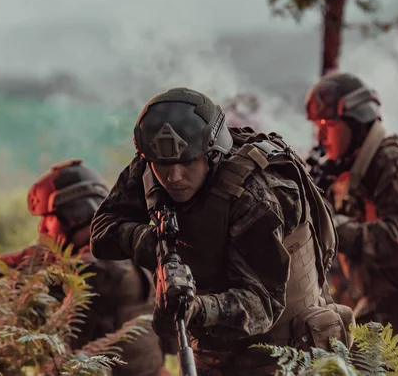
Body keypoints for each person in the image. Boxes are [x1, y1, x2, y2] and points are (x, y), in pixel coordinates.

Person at [90, 87, 354, 375]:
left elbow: (263, 304)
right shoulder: (153, 161)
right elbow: (102, 232)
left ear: (212, 155)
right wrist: (156, 245)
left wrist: (197, 308)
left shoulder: (254, 196)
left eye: (188, 163)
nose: (173, 177)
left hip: (285, 353)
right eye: (163, 165)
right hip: (213, 351)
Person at [0, 159, 167, 376]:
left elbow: (14, 283)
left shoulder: (100, 268)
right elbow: (21, 260)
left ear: (72, 215)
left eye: (47, 219)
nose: (41, 227)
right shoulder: (116, 246)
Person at [304, 72, 398, 360]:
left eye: (327, 125)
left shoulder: (392, 162)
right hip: (381, 306)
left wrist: (334, 229)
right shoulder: (350, 170)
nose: (321, 136)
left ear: (355, 120)